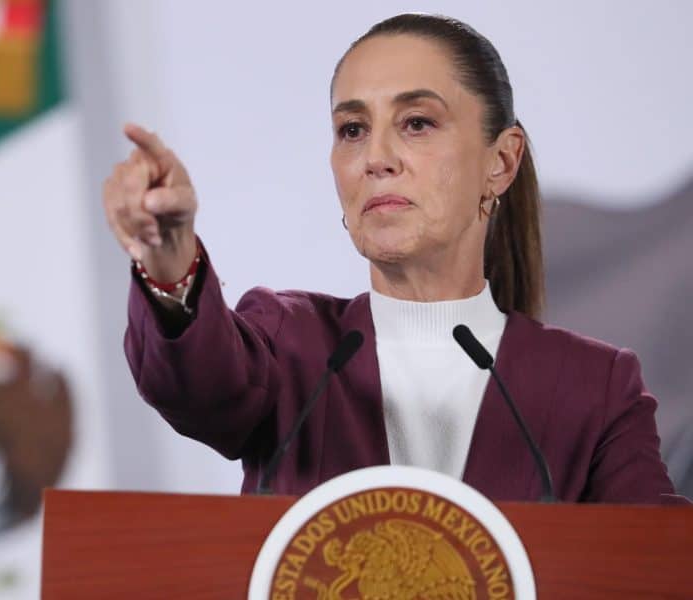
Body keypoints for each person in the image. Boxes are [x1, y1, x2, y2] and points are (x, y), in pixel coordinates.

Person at [102, 13, 686, 503]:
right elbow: (195, 385)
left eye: (416, 123)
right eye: (352, 129)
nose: (376, 157)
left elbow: (653, 568)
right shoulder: (292, 348)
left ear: (501, 162)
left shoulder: (595, 387)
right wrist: (169, 255)